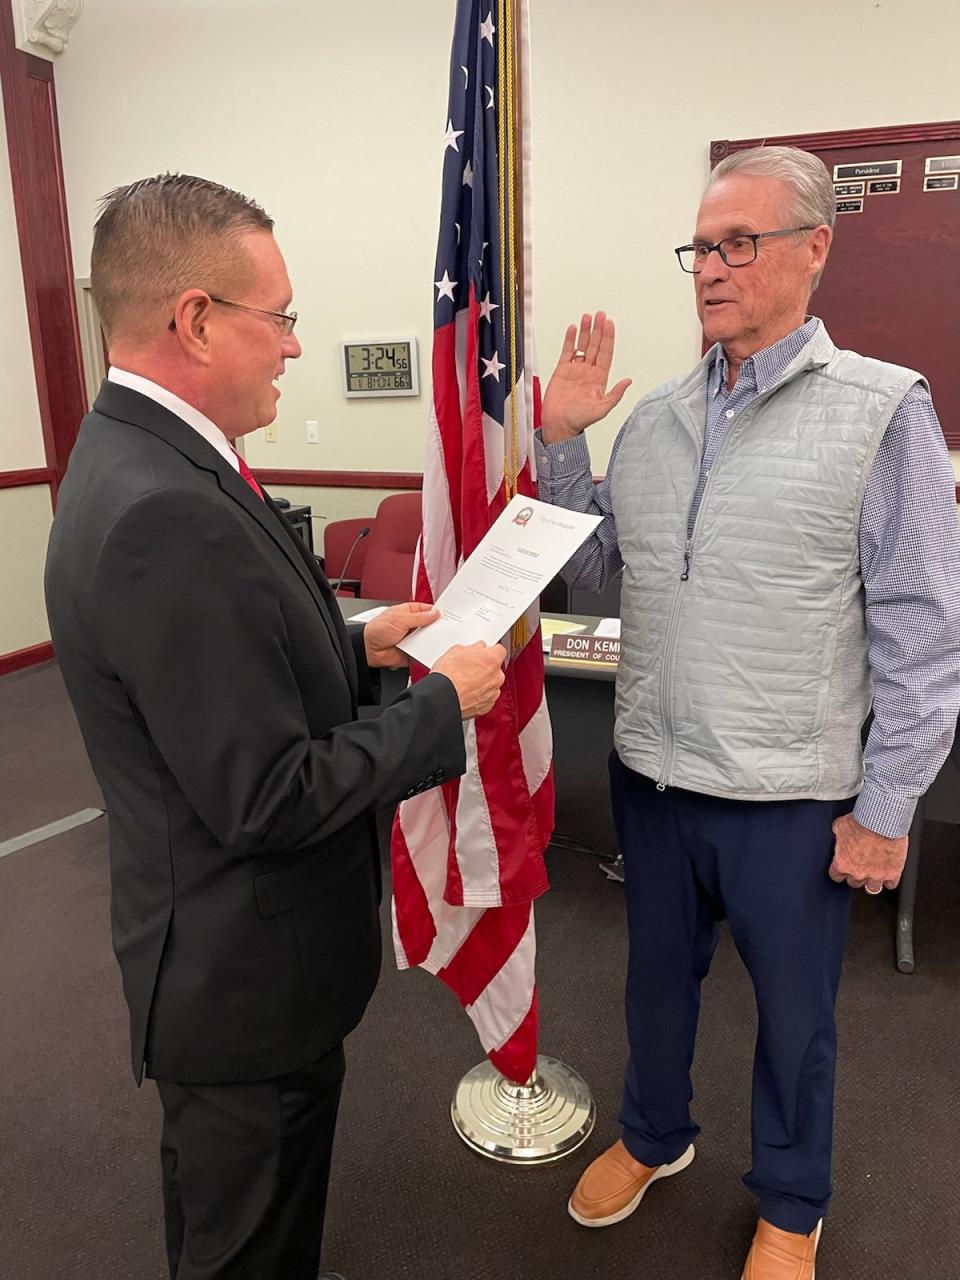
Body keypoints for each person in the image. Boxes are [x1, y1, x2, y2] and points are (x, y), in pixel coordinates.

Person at [44, 173, 506, 1280]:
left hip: (225, 958)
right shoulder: (167, 507)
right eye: (282, 317)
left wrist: (359, 643)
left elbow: (212, 678)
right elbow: (263, 792)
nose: (296, 346)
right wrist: (444, 703)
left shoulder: (142, 457)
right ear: (197, 319)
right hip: (242, 980)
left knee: (242, 1220)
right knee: (244, 1239)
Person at [536, 146, 960, 1278]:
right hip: (655, 777)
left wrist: (885, 807)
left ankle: (791, 1198)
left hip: (791, 794)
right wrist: (564, 439)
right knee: (654, 984)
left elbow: (923, 633)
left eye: (740, 243)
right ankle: (654, 1134)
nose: (711, 268)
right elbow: (591, 578)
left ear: (814, 248)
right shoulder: (659, 419)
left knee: (795, 1018)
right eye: (701, 246)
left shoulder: (883, 411)